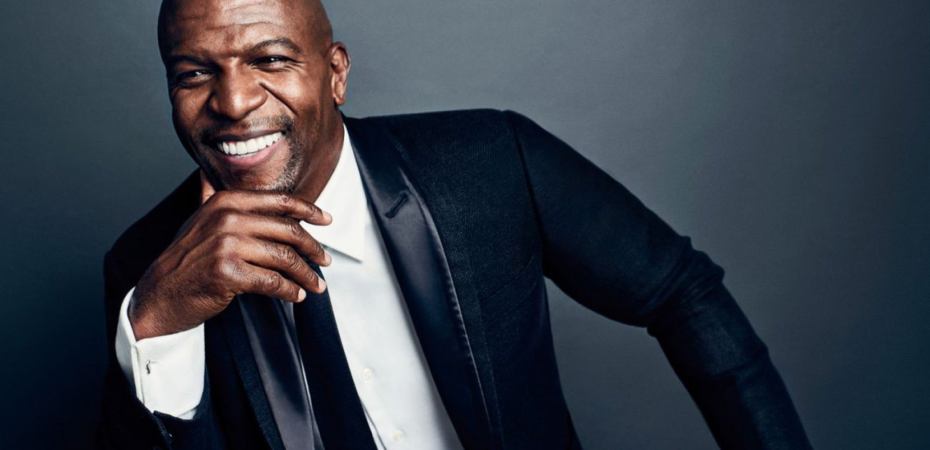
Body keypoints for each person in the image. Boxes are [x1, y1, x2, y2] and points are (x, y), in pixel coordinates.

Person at [98, 0, 812, 449]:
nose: (232, 102)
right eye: (194, 74)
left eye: (270, 59)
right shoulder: (146, 267)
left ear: (335, 72)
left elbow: (680, 291)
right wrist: (156, 325)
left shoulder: (491, 163)